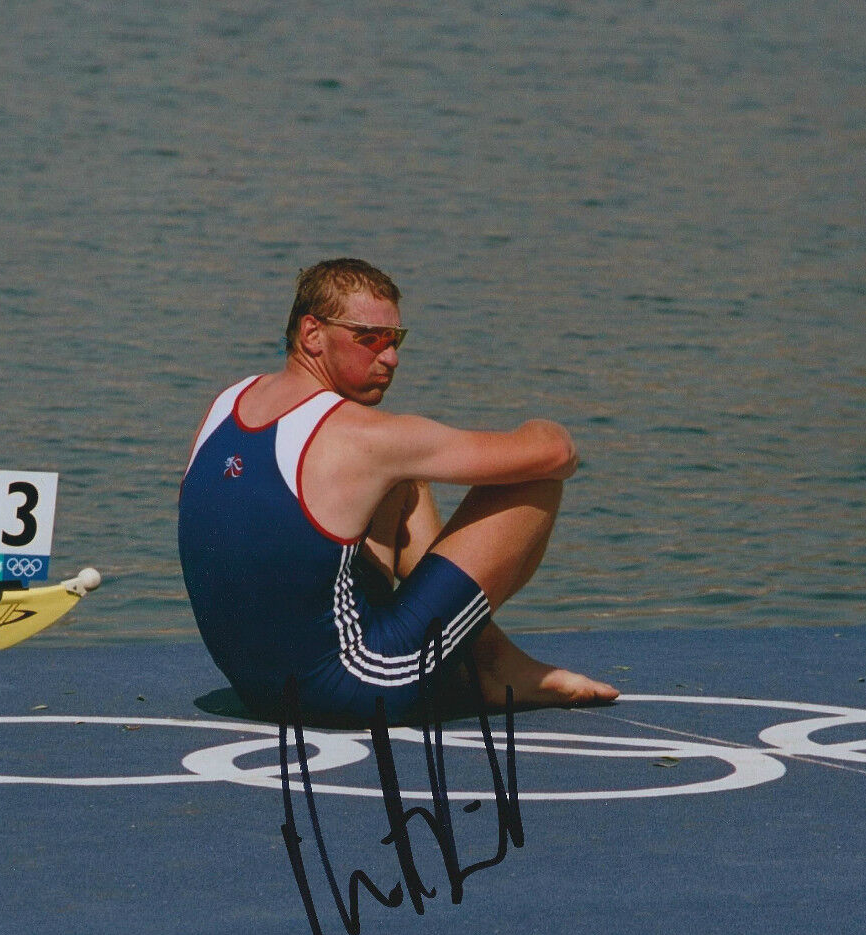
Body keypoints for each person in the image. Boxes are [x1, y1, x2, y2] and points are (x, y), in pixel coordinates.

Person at [178, 258, 619, 725]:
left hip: (257, 688)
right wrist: (545, 420)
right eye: (370, 338)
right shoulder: (364, 436)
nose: (390, 357)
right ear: (312, 334)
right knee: (535, 477)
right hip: (355, 689)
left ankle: (489, 656)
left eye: (396, 340)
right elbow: (555, 452)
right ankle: (489, 668)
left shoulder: (227, 402)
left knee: (401, 482)